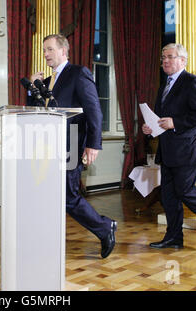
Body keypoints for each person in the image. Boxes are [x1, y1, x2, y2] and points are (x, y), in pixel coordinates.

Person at [29, 34, 117, 259]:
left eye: (49, 49)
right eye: (44, 50)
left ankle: (104, 227)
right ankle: (47, 238)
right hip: (50, 145)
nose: (45, 54)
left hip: (72, 143)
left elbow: (94, 109)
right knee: (49, 194)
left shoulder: (78, 73)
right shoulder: (49, 81)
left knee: (68, 195)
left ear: (63, 51)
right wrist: (32, 88)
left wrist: (93, 144)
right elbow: (39, 110)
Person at [142, 43, 196, 249]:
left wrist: (175, 122)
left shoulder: (192, 82)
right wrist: (151, 126)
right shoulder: (164, 86)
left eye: (170, 57)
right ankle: (174, 237)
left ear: (182, 61)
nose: (165, 61)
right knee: (168, 197)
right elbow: (162, 118)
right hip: (168, 150)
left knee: (185, 190)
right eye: (163, 58)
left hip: (188, 150)